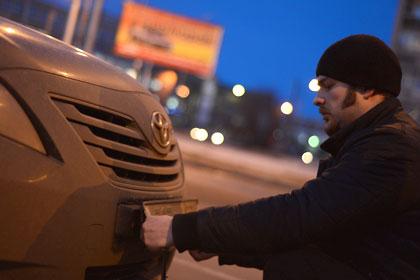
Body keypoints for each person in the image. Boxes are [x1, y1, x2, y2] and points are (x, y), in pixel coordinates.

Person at [142, 34, 420, 279]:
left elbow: (300, 215)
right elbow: (315, 234)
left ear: (366, 88)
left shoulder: (392, 150)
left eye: (328, 85)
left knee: (298, 268)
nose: (318, 98)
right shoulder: (374, 140)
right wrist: (216, 241)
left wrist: (184, 229)